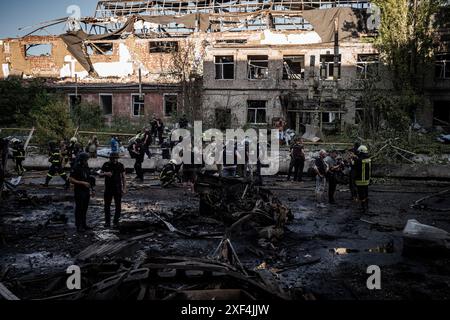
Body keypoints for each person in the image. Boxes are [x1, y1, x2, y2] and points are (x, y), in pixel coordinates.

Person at [69, 153, 96, 232]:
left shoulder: (86, 167)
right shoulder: (76, 167)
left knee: (85, 208)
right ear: (82, 160)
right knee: (79, 208)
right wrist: (82, 183)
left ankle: (84, 224)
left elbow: (89, 179)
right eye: (85, 160)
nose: (87, 161)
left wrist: (92, 189)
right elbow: (71, 179)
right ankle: (79, 226)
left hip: (86, 190)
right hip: (79, 190)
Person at [99, 153, 126, 228]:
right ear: (110, 158)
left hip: (118, 188)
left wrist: (124, 188)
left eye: (116, 158)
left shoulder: (120, 165)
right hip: (108, 188)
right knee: (107, 206)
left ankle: (116, 221)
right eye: (113, 158)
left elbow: (123, 177)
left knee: (118, 206)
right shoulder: (106, 164)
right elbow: (99, 174)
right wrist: (105, 173)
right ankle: (107, 222)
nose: (114, 159)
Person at [354, 145, 371, 213]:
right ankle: (366, 206)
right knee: (366, 193)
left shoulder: (358, 160)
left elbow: (353, 164)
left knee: (361, 195)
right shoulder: (368, 159)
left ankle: (363, 208)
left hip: (360, 180)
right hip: (366, 180)